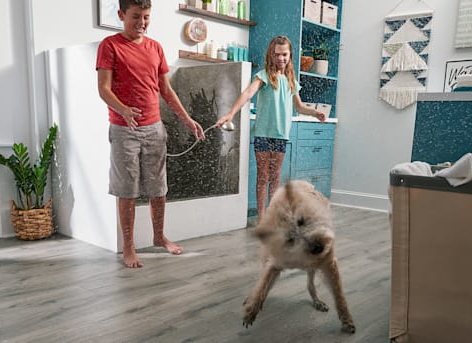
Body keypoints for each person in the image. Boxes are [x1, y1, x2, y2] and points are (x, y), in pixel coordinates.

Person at [96, 0, 205, 268]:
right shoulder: (109, 46)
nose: (142, 23)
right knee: (128, 191)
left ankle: (159, 237)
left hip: (155, 129)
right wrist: (123, 110)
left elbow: (166, 91)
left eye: (146, 17)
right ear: (121, 15)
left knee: (159, 189)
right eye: (136, 17)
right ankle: (129, 248)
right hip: (125, 130)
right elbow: (103, 89)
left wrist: (188, 120)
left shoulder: (155, 47)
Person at [216, 36, 326, 220]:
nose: (280, 58)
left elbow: (298, 106)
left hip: (281, 136)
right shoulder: (264, 75)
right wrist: (230, 113)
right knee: (263, 176)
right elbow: (248, 92)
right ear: (271, 55)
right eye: (277, 55)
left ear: (290, 55)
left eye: (284, 54)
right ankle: (261, 217)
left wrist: (315, 113)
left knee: (275, 177)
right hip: (263, 134)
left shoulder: (291, 80)